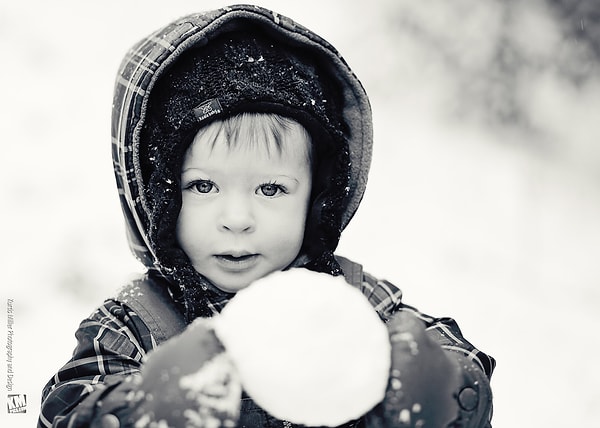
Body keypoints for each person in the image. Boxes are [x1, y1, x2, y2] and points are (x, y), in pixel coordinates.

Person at [38, 4, 495, 428]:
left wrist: (445, 384)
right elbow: (67, 408)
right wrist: (142, 407)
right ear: (158, 197)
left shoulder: (350, 306)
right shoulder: (134, 329)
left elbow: (456, 365)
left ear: (317, 199)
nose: (237, 218)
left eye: (271, 188)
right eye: (204, 186)